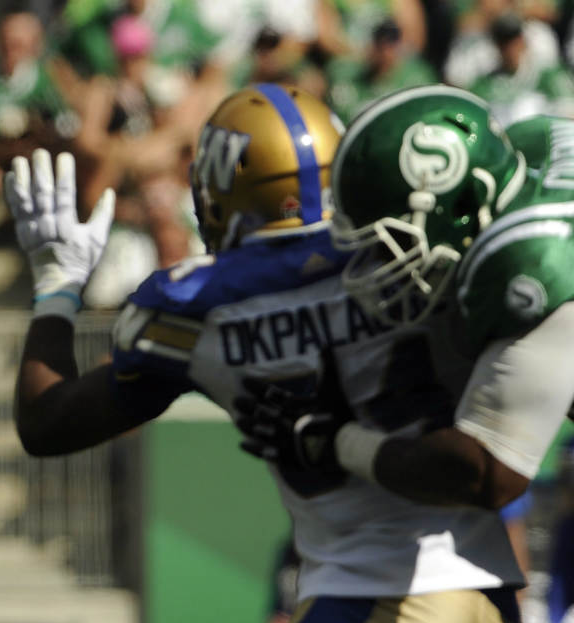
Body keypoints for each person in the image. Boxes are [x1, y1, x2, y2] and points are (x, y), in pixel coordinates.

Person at [7, 84, 523, 623]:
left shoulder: (201, 307)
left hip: (380, 606)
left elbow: (48, 422)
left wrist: (58, 288)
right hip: (490, 617)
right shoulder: (416, 251)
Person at [235, 84, 571, 521]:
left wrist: (338, 442)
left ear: (464, 204)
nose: (381, 261)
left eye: (392, 240)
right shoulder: (533, 144)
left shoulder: (532, 262)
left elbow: (488, 473)